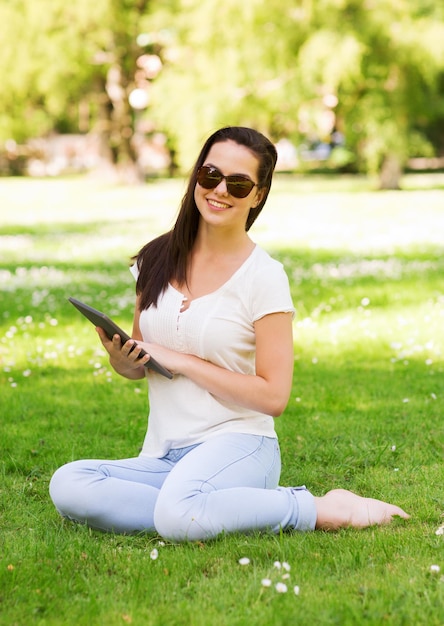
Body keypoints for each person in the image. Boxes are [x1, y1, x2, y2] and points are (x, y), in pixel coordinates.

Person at [49, 126, 409, 540]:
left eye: (238, 184)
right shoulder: (156, 258)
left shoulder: (265, 277)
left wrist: (184, 362)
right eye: (210, 175)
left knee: (179, 514)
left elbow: (274, 397)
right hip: (166, 453)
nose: (220, 190)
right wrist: (121, 358)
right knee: (69, 483)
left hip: (240, 445)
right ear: (196, 175)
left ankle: (319, 507)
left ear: (258, 195)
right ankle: (204, 506)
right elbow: (140, 368)